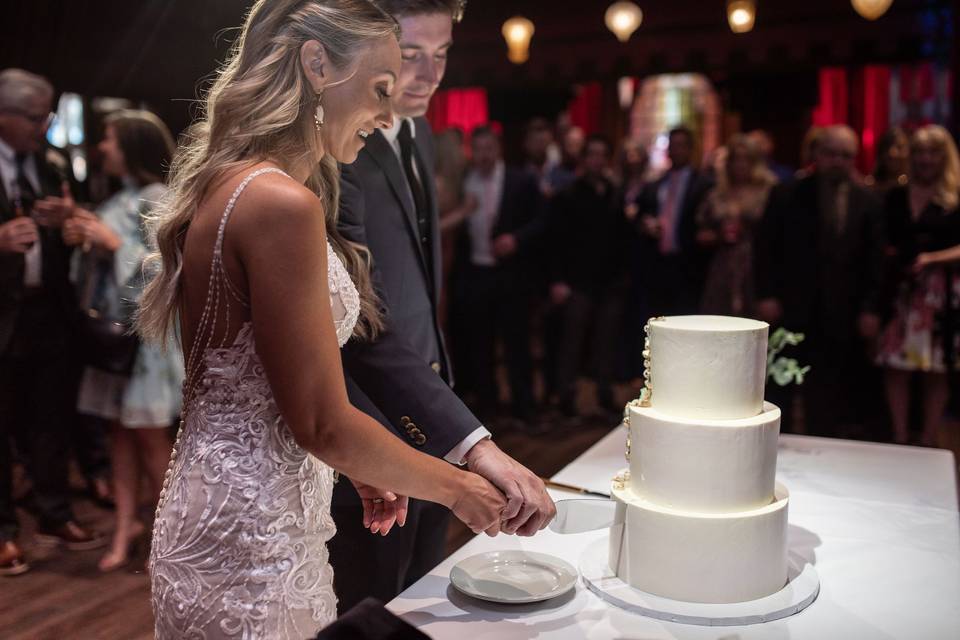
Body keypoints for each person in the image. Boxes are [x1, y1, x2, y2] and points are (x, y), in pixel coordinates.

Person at [137, 2, 506, 637]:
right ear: (316, 65)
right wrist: (457, 488)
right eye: (379, 89)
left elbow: (268, 385)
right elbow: (322, 422)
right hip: (254, 538)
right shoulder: (283, 204)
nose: (388, 115)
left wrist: (361, 465)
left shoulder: (235, 183)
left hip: (229, 507)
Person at [332, 0, 553, 612]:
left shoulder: (419, 132)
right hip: (371, 421)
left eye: (442, 55)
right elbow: (355, 315)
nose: (429, 76)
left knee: (423, 597)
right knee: (371, 604)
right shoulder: (341, 148)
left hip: (433, 403)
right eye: (410, 57)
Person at [46, 110, 184, 572]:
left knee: (149, 440)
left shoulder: (160, 197)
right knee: (118, 437)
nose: (101, 147)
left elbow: (173, 269)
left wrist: (110, 244)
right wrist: (82, 237)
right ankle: (126, 526)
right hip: (114, 336)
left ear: (132, 145)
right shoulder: (120, 196)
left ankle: (174, 535)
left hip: (145, 342)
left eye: (108, 138)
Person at [0, 68, 103, 578]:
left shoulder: (48, 160)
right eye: (37, 118)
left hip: (50, 311)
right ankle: (2, 533)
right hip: (2, 310)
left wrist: (68, 217)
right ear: (6, 115)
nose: (45, 127)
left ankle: (54, 512)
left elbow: (79, 216)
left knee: (52, 418)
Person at [755, 125, 885, 438]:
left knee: (829, 389)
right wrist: (766, 294)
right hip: (792, 305)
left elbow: (876, 260)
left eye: (846, 155)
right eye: (831, 154)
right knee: (781, 383)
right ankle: (774, 445)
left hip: (843, 309)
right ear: (817, 154)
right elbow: (765, 247)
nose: (838, 161)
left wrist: (871, 308)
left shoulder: (867, 200)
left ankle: (822, 447)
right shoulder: (787, 193)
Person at [454, 125, 546, 422]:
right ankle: (488, 409)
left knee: (516, 344)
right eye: (478, 150)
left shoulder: (521, 180)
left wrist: (515, 240)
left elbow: (543, 222)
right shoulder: (464, 182)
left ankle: (525, 409)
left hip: (511, 275)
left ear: (499, 149)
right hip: (477, 274)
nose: (483, 155)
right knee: (481, 344)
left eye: (488, 149)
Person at [876, 125, 960, 446]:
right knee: (896, 364)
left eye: (933, 152)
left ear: (945, 156)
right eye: (920, 152)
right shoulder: (895, 195)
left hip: (942, 293)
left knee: (936, 368)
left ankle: (927, 438)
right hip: (902, 291)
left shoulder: (955, 195)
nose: (926, 159)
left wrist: (932, 258)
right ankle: (899, 436)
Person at [548, 135, 630, 417]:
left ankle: (604, 395)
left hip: (609, 283)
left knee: (605, 343)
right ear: (584, 159)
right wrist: (558, 279)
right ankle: (566, 398)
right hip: (577, 282)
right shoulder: (569, 195)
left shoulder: (613, 193)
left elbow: (621, 239)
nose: (596, 160)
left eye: (601, 155)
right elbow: (556, 241)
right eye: (591, 154)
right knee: (572, 342)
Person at [632, 125, 713, 316]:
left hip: (689, 264)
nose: (677, 150)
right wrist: (646, 225)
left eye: (682, 145)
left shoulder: (704, 184)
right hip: (658, 264)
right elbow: (639, 217)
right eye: (673, 145)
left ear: (691, 149)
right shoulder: (656, 184)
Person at [696, 133, 777, 316]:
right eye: (735, 159)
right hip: (723, 264)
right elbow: (701, 230)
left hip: (757, 264)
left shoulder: (768, 191)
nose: (740, 164)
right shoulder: (717, 193)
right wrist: (717, 235)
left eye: (746, 159)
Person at [866, 127, 910, 193]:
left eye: (899, 147)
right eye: (887, 147)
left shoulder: (915, 188)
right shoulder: (871, 186)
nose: (892, 153)